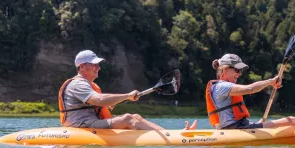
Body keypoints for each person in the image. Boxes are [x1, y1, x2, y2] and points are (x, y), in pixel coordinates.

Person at [58, 50, 197, 130]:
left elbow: (98, 101)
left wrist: (108, 103)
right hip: (81, 126)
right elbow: (99, 100)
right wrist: (127, 95)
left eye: (98, 65)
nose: (98, 67)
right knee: (128, 119)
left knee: (135, 116)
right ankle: (173, 138)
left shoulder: (86, 84)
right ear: (82, 67)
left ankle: (170, 134)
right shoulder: (78, 84)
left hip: (89, 122)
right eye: (94, 65)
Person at [206, 54, 295, 129]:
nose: (239, 73)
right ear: (224, 70)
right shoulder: (222, 86)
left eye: (240, 71)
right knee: (291, 120)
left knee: (286, 121)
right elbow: (249, 89)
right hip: (237, 130)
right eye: (236, 70)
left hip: (238, 127)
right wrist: (270, 81)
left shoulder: (219, 86)